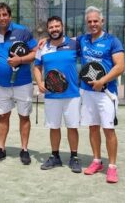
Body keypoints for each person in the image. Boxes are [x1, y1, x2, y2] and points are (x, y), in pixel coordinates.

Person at [77, 6, 125, 183]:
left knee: (108, 130)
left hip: (106, 93)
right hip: (88, 93)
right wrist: (44, 39)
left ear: (102, 21)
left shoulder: (112, 41)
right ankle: (97, 161)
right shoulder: (83, 40)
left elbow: (120, 66)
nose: (92, 24)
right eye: (89, 22)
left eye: (95, 21)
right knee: (92, 127)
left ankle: (112, 167)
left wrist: (102, 81)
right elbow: (64, 41)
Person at [0, 2, 37, 165]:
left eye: (4, 15)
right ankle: (1, 149)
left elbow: (35, 52)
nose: (2, 18)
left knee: (24, 116)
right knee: (3, 116)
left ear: (10, 16)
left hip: (23, 83)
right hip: (2, 85)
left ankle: (24, 149)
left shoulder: (22, 31)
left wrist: (20, 60)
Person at [33, 16, 82, 173]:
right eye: (51, 27)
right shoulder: (42, 47)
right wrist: (40, 83)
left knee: (72, 127)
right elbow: (37, 67)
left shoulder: (75, 44)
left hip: (72, 94)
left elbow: (87, 42)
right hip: (52, 95)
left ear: (62, 27)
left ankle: (74, 157)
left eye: (57, 26)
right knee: (54, 127)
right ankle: (55, 157)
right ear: (48, 29)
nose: (54, 29)